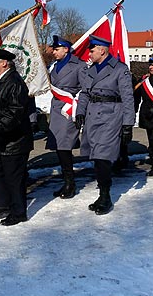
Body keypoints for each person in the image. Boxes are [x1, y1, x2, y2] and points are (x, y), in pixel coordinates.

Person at [75, 36, 135, 215]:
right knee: (95, 156)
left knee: (102, 156)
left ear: (102, 50)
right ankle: (102, 193)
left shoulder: (119, 69)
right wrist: (80, 111)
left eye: (92, 50)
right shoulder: (90, 70)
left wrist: (127, 124)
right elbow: (85, 93)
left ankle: (105, 195)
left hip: (111, 116)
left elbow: (128, 98)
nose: (89, 53)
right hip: (93, 116)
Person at [0, 49, 34, 226]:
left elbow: (14, 112)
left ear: (4, 63)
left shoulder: (14, 82)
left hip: (14, 141)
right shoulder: (0, 81)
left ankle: (18, 211)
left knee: (14, 178)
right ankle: (3, 205)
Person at [46, 35, 84, 199]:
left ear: (66, 49)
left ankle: (70, 184)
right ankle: (67, 181)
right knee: (60, 148)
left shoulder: (79, 66)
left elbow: (85, 90)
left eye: (56, 49)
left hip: (69, 111)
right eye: (54, 49)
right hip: (56, 109)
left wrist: (79, 108)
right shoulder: (54, 66)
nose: (53, 52)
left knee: (64, 147)